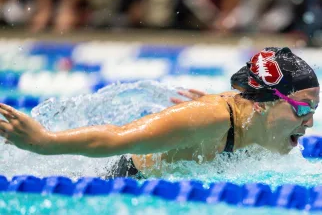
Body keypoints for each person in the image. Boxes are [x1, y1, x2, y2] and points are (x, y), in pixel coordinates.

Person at [0, 47, 319, 179]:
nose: (310, 122)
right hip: (121, 179)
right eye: (303, 109)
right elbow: (117, 137)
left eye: (314, 109)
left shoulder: (255, 120)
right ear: (264, 103)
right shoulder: (212, 119)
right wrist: (44, 142)